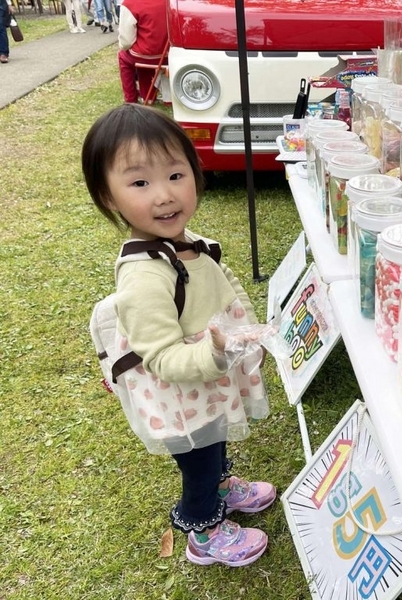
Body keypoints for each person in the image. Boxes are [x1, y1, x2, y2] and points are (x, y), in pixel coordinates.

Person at [81, 104, 276, 567]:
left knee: (216, 442)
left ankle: (222, 485)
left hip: (207, 381)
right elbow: (162, 359)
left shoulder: (187, 244)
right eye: (140, 183)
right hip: (182, 397)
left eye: (175, 174)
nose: (165, 195)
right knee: (199, 460)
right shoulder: (145, 277)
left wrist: (246, 334)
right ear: (108, 197)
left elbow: (224, 285)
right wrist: (218, 351)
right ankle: (203, 529)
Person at [118, 0, 167, 103]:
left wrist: (123, 46)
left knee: (124, 56)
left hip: (145, 55)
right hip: (168, 54)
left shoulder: (130, 3)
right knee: (142, 52)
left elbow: (126, 42)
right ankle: (148, 95)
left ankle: (130, 98)